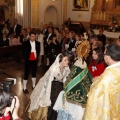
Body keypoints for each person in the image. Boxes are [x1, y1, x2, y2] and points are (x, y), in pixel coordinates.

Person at [53, 40, 92, 120]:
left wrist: (66, 86)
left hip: (73, 94)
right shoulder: (84, 64)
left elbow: (71, 78)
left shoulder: (77, 63)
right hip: (83, 92)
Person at [28, 53, 70, 120]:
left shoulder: (66, 68)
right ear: (60, 61)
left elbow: (65, 79)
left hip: (60, 86)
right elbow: (48, 82)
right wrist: (47, 96)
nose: (67, 61)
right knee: (54, 101)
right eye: (65, 60)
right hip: (52, 86)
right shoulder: (54, 69)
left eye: (67, 60)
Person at [83, 44, 120, 120]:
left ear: (109, 57)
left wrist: (94, 82)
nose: (103, 56)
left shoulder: (108, 74)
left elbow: (95, 94)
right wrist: (99, 78)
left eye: (104, 54)